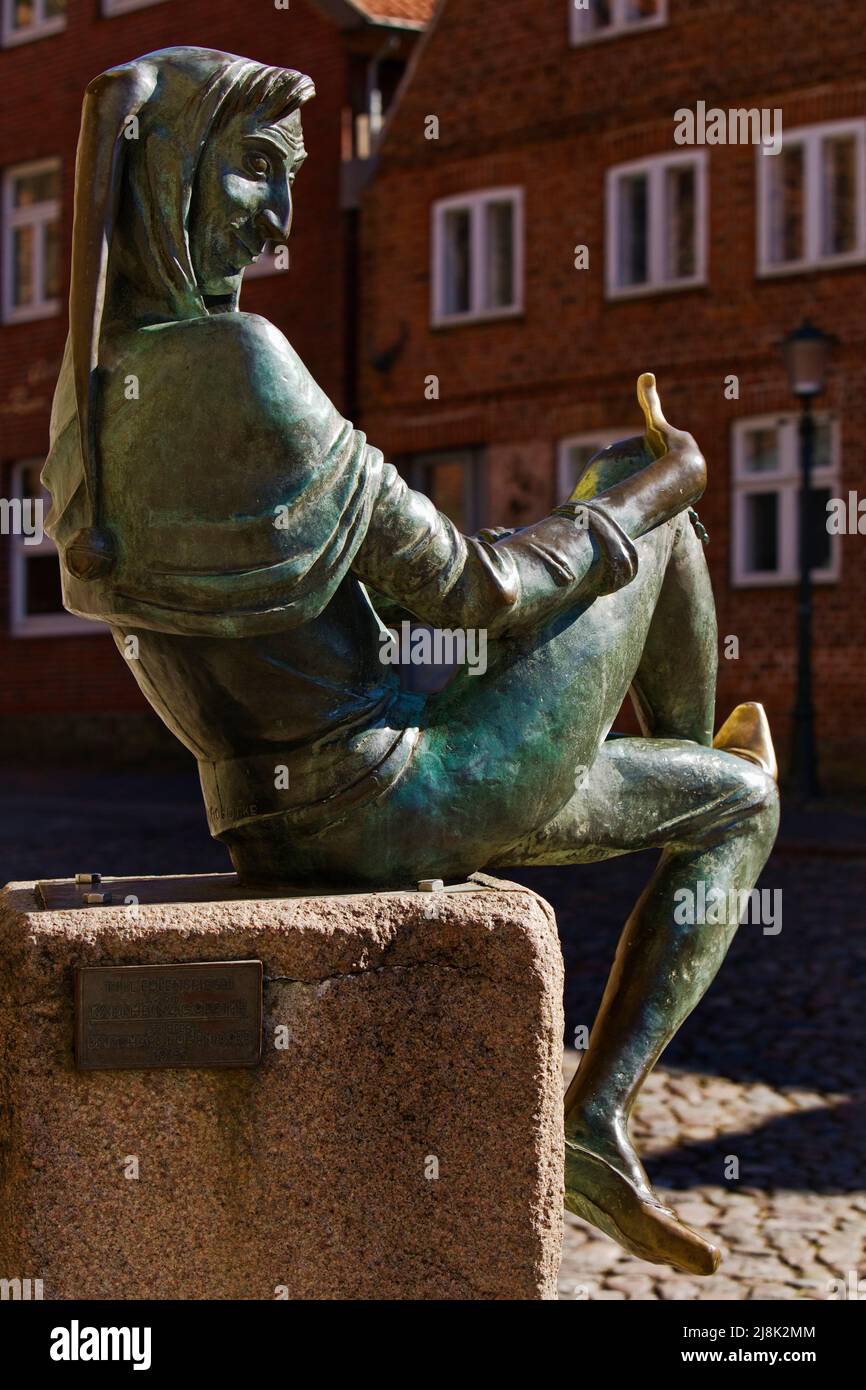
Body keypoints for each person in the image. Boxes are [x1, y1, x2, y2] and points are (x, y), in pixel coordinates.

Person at [44, 48, 779, 1276]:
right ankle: (596, 1104)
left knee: (736, 802)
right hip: (399, 794)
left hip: (268, 824)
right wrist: (662, 484)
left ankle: (675, 822)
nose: (278, 222)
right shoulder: (239, 363)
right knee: (639, 503)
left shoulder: (88, 402)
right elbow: (477, 590)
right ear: (166, 172)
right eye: (253, 175)